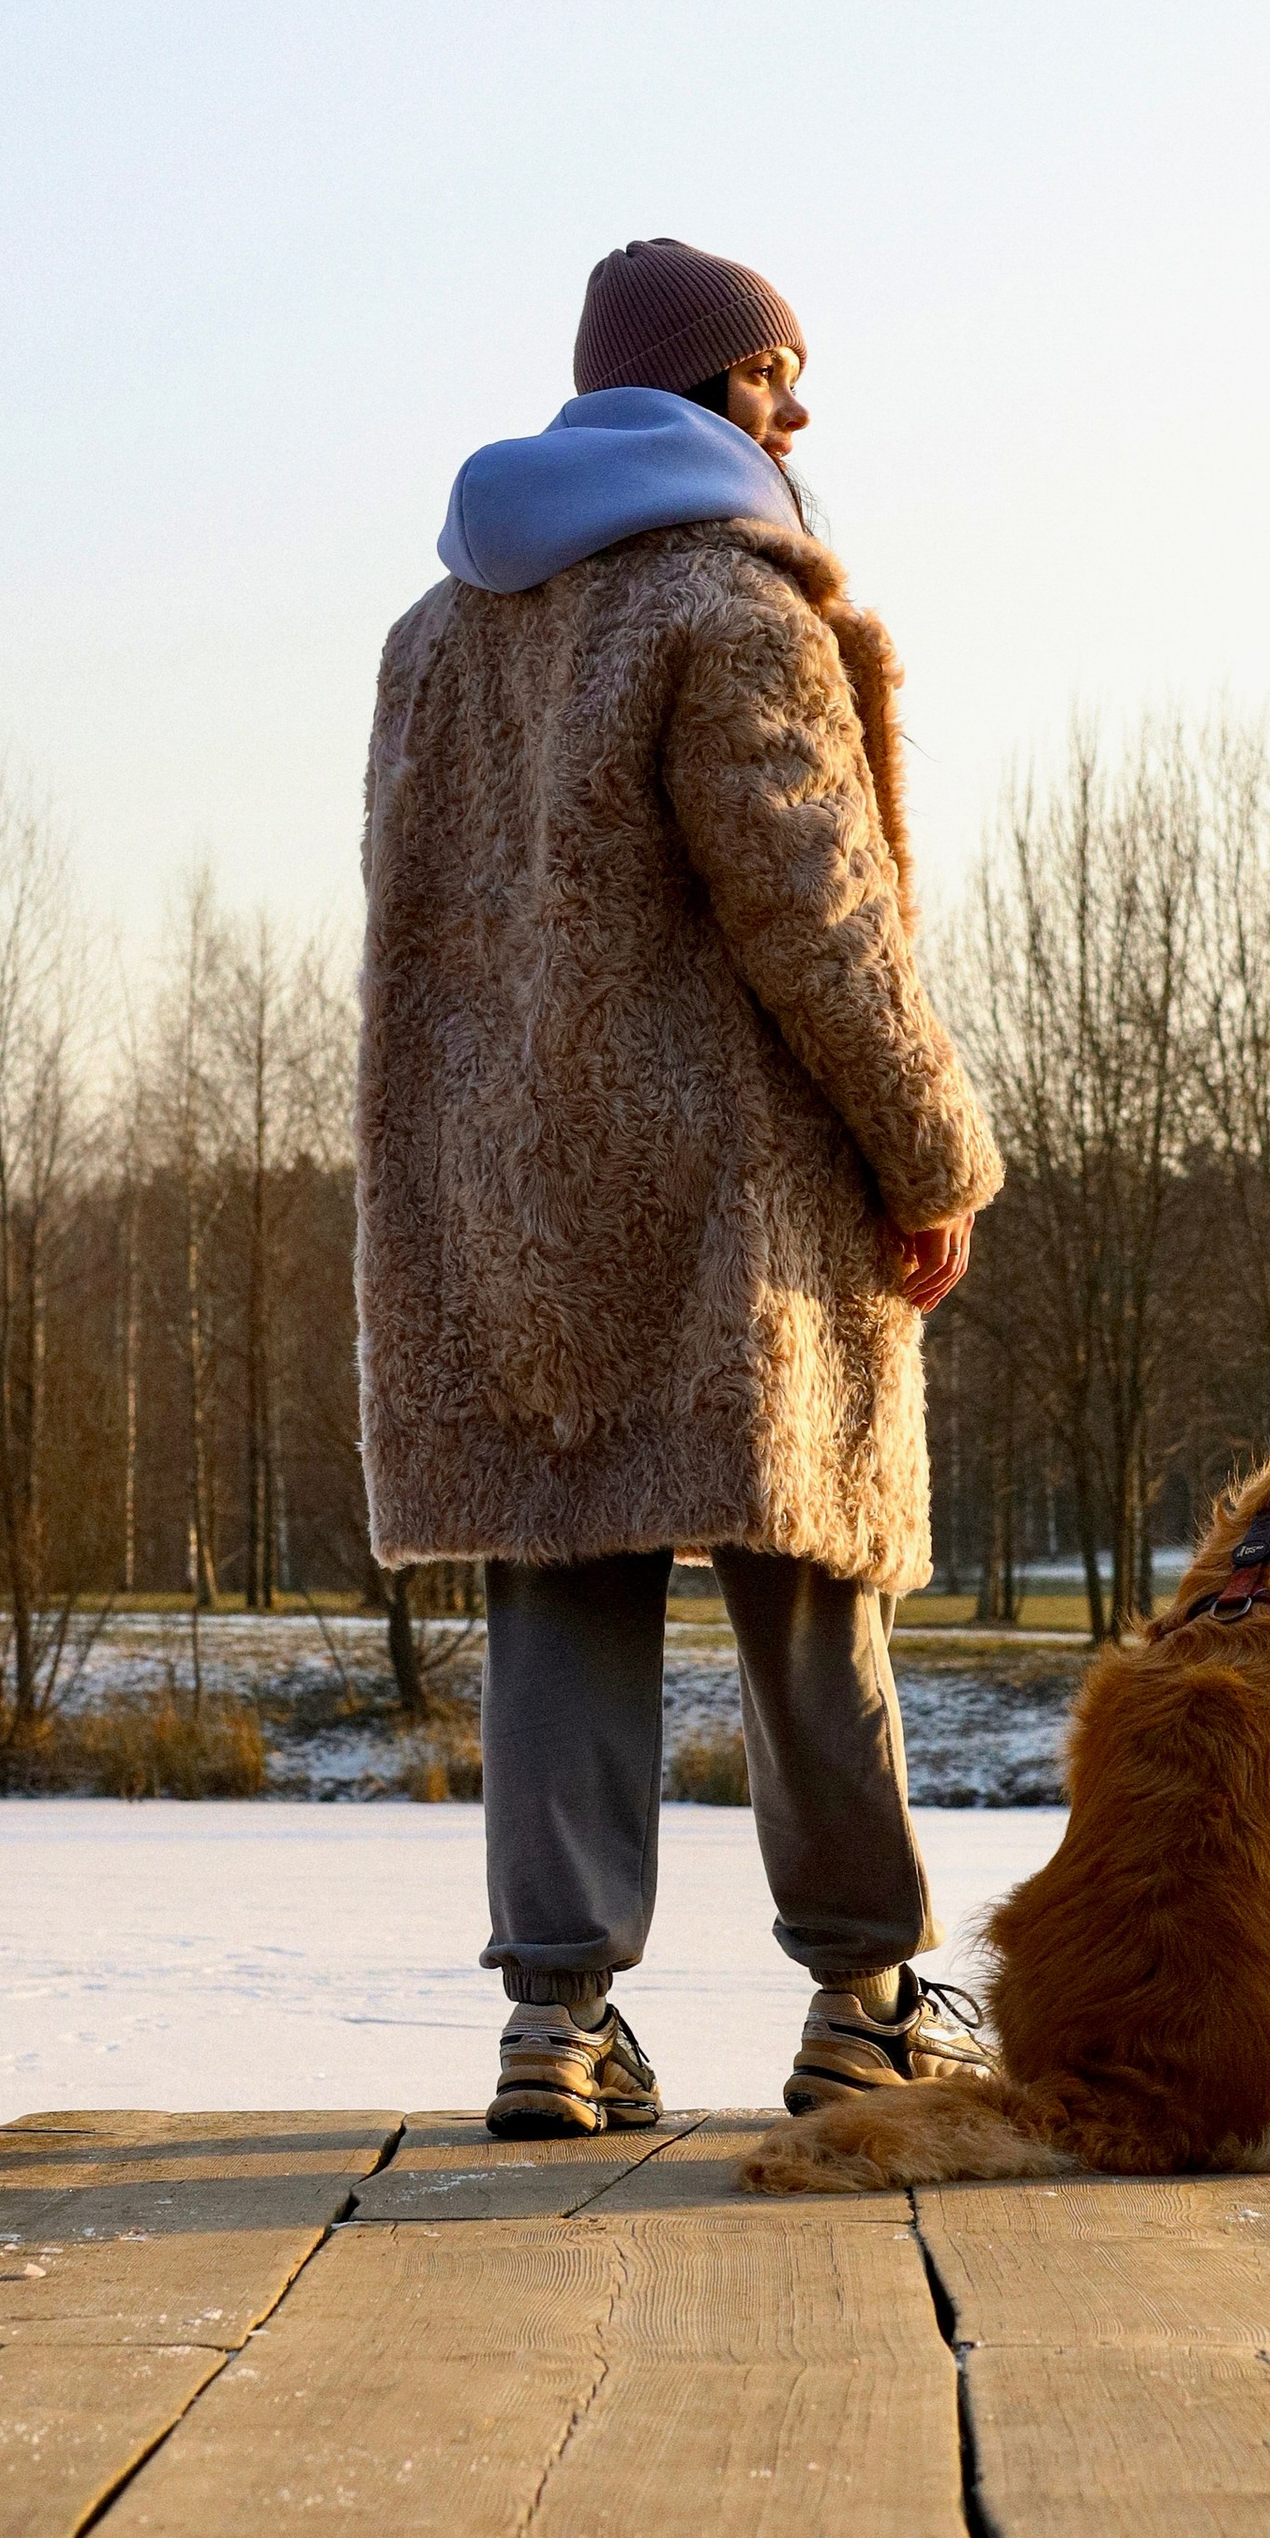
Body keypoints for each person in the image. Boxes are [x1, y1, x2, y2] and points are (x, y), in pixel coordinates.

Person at [356, 237, 1005, 2136]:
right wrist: (931, 1148)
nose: (798, 410)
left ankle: (554, 2024)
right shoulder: (729, 605)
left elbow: (416, 938)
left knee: (560, 1581)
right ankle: (868, 2000)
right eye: (775, 372)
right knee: (808, 1578)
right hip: (738, 1197)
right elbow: (823, 916)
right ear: (706, 386)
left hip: (515, 1193)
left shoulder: (440, 633)